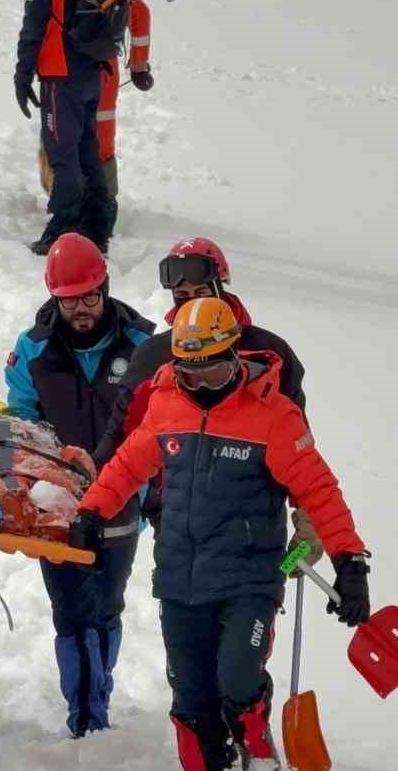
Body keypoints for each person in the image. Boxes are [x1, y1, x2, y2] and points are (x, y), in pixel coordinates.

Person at [71, 297, 371, 771]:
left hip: (249, 581)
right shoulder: (166, 404)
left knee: (236, 674)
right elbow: (126, 466)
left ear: (234, 356)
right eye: (190, 375)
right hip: (180, 577)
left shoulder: (273, 415)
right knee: (189, 694)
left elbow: (319, 490)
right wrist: (92, 513)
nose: (200, 386)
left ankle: (253, 733)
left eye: (211, 373)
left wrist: (350, 563)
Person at [4, 232, 154, 735]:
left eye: (91, 296)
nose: (82, 308)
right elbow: (21, 426)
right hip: (58, 504)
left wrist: (149, 492)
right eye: (70, 300)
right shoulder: (33, 350)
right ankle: (84, 714)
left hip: (123, 498)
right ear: (54, 298)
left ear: (105, 288)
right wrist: (39, 488)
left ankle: (100, 692)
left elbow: (160, 425)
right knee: (68, 607)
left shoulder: (142, 345)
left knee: (107, 603)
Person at [94, 235, 321, 563]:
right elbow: (121, 437)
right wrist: (90, 495)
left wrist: (309, 515)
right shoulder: (154, 356)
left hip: (254, 522)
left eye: (201, 294)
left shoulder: (269, 355)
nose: (193, 306)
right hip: (178, 518)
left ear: (221, 289)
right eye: (183, 297)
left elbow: (298, 444)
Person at [14, 0, 126, 255]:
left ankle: (60, 227)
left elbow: (33, 28)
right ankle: (99, 224)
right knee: (87, 150)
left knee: (62, 152)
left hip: (59, 77)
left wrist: (22, 74)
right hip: (92, 73)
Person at [38, 0, 153, 214]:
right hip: (103, 65)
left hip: (62, 68)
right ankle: (103, 197)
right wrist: (139, 66)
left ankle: (65, 195)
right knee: (99, 129)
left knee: (60, 131)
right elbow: (139, 13)